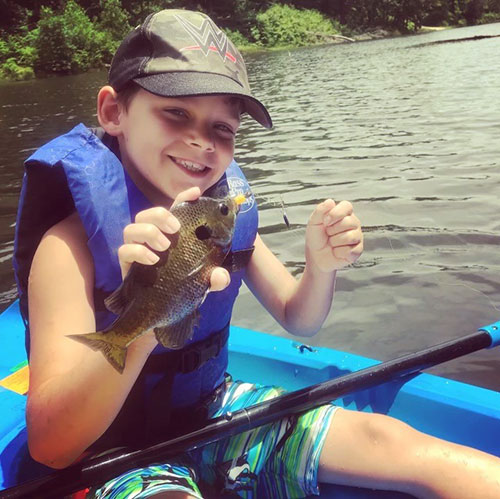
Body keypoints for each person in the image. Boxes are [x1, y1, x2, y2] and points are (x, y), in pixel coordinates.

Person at [13, 8, 500, 499]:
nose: (202, 140)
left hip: (212, 412)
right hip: (115, 453)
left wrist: (320, 267)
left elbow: (299, 317)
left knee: (393, 441)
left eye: (222, 129)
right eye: (176, 112)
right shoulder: (66, 247)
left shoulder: (217, 224)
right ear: (113, 111)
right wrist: (146, 316)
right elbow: (54, 446)